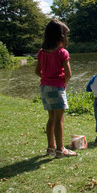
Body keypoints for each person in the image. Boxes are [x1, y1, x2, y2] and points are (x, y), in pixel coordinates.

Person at [35, 20, 76, 158]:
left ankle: (50, 147)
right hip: (57, 88)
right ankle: (60, 149)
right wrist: (61, 82)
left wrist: (47, 78)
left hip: (44, 88)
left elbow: (37, 71)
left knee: (51, 118)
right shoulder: (62, 53)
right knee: (59, 119)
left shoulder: (42, 52)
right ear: (61, 36)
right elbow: (69, 74)